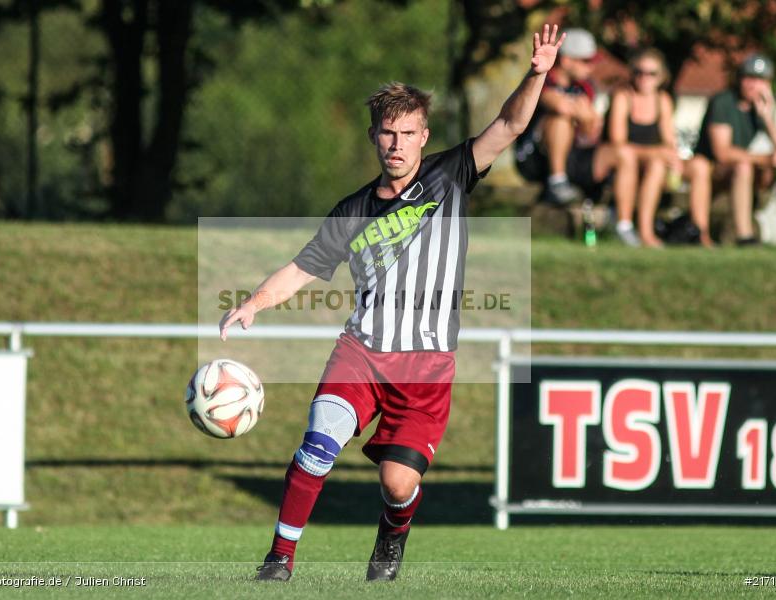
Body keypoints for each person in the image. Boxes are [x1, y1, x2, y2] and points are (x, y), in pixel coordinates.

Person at [219, 24, 566, 583]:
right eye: (387, 133)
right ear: (374, 138)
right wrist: (254, 303)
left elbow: (509, 124)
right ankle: (279, 559)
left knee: (398, 484)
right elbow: (305, 266)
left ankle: (393, 534)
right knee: (318, 443)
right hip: (363, 351)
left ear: (424, 136)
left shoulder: (451, 176)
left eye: (407, 133)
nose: (397, 143)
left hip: (427, 366)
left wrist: (537, 73)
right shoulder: (353, 209)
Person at [514, 27, 640, 246]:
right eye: (585, 61)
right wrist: (583, 114)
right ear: (566, 60)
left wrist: (587, 118)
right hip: (536, 159)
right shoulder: (542, 77)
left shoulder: (586, 87)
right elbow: (559, 105)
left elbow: (591, 130)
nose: (592, 66)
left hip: (574, 154)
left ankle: (623, 225)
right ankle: (557, 181)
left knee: (624, 153)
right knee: (560, 120)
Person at [691, 53, 776, 248]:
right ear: (740, 79)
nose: (753, 85)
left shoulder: (760, 107)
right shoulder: (724, 102)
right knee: (743, 166)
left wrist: (768, 117)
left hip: (744, 168)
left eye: (760, 80)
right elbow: (722, 153)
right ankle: (745, 236)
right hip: (715, 170)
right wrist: (766, 159)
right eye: (749, 78)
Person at [607, 48, 700, 247]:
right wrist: (657, 153)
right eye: (639, 72)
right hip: (623, 161)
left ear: (661, 77)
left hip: (652, 164)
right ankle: (643, 231)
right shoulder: (623, 97)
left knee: (695, 166)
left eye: (651, 73)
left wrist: (672, 158)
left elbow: (668, 140)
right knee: (646, 160)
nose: (644, 78)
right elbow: (618, 141)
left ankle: (701, 233)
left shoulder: (663, 100)